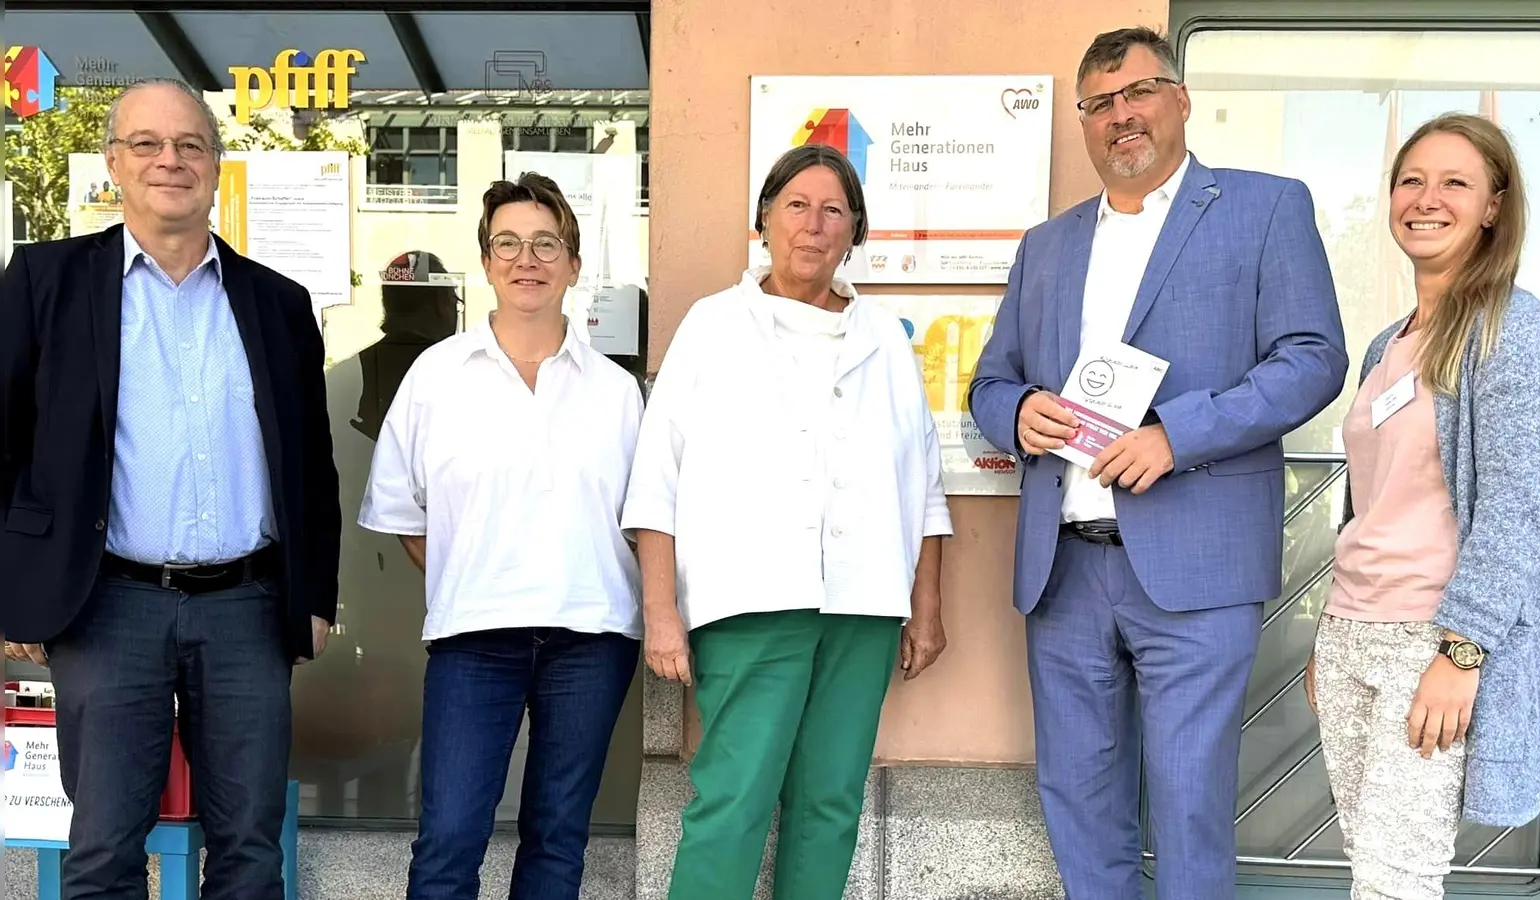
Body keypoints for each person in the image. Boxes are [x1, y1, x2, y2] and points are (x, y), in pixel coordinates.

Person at [968, 26, 1348, 900]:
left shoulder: (1264, 207)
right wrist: (1019, 410)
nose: (1120, 116)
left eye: (1138, 93)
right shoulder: (1047, 245)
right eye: (1099, 104)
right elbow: (990, 383)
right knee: (1078, 799)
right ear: (1084, 124)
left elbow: (1311, 358)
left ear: (1179, 100)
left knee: (1186, 803)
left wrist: (1179, 436)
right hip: (1062, 570)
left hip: (1197, 564)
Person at [0, 77, 339, 898]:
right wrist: (15, 592)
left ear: (215, 165)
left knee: (250, 850)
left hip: (246, 611)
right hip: (106, 606)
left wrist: (316, 597)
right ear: (114, 163)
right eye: (147, 144)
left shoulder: (279, 303)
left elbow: (311, 464)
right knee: (103, 851)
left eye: (190, 144)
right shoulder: (46, 282)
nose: (170, 161)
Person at [624, 143, 952, 900]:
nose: (814, 225)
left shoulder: (887, 342)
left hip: (863, 607)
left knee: (829, 806)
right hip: (749, 605)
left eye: (833, 210)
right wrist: (662, 611)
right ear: (764, 220)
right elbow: (656, 480)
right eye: (796, 206)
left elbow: (923, 483)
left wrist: (925, 607)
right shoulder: (714, 326)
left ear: (854, 231)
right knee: (732, 802)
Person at [1305, 113, 1540, 899]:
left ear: (1494, 204)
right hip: (1354, 632)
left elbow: (1521, 508)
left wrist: (1461, 654)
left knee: (1397, 883)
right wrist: (1332, 628)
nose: (1426, 199)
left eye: (1455, 182)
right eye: (1411, 180)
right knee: (1375, 869)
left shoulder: (1510, 330)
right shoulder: (1387, 343)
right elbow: (1371, 504)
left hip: (1433, 640)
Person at [357, 172, 644, 900]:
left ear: (574, 265)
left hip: (591, 635)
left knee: (557, 838)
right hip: (474, 637)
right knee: (450, 837)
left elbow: (644, 523)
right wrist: (478, 567)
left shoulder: (616, 391)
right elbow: (405, 519)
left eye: (547, 243)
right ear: (485, 261)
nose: (528, 259)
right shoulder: (435, 377)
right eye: (507, 243)